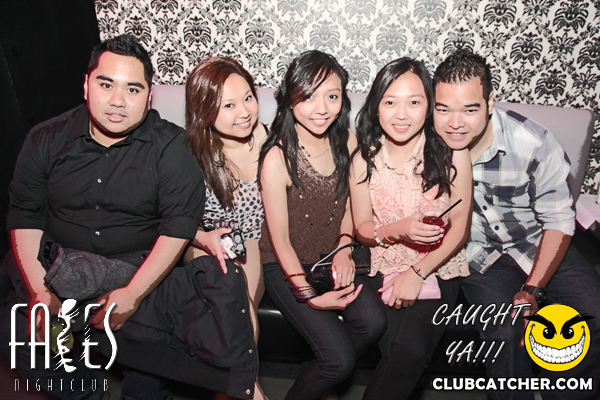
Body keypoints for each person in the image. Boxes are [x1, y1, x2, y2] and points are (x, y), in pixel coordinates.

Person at [0, 34, 257, 400]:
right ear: (86, 85)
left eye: (132, 89)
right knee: (23, 339)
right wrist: (39, 291)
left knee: (156, 361)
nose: (118, 100)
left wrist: (133, 293)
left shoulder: (172, 147)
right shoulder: (46, 139)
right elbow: (25, 215)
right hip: (58, 269)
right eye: (106, 85)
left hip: (136, 273)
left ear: (149, 96)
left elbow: (177, 224)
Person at [432, 49, 600, 400]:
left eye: (469, 109)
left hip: (537, 241)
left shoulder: (533, 143)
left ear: (490, 102)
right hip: (478, 254)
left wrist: (532, 290)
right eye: (443, 109)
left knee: (593, 315)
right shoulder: (425, 146)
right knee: (503, 333)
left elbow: (558, 221)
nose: (455, 123)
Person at [258, 50, 386, 400]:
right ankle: (326, 371)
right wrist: (309, 295)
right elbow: (279, 240)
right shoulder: (277, 157)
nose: (322, 108)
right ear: (290, 98)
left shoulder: (348, 140)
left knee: (373, 323)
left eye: (332, 96)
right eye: (309, 96)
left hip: (333, 254)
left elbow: (350, 204)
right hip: (286, 263)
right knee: (338, 361)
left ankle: (320, 373)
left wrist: (344, 247)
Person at [349, 58, 472, 399]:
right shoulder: (364, 158)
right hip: (383, 262)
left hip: (437, 267)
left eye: (414, 102)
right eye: (390, 102)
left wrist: (417, 273)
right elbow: (362, 228)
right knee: (398, 353)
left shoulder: (452, 152)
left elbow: (460, 228)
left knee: (410, 352)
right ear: (376, 106)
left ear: (429, 106)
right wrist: (398, 229)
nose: (401, 115)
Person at [183, 56, 268, 400]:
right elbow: (169, 218)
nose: (244, 112)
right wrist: (202, 238)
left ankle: (231, 393)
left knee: (242, 311)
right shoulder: (191, 153)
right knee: (233, 305)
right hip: (204, 242)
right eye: (228, 105)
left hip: (252, 242)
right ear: (204, 110)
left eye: (248, 98)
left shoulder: (270, 139)